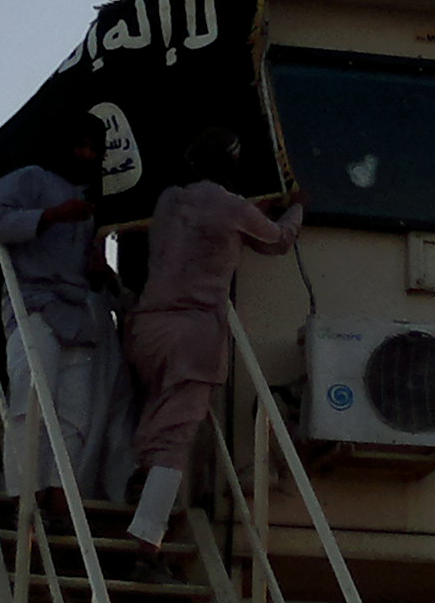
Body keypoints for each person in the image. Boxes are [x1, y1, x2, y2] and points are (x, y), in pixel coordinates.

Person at [124, 127, 306, 563]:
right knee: (177, 435)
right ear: (232, 164)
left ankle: (140, 484)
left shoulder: (169, 201)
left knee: (153, 417)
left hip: (147, 327)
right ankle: (146, 538)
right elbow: (277, 241)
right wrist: (296, 209)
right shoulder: (232, 208)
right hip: (194, 332)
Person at [0, 111, 134, 505]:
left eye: (93, 148)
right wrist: (52, 216)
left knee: (76, 411)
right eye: (79, 145)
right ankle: (22, 493)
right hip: (33, 302)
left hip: (80, 311)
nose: (86, 154)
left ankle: (59, 494)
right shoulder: (30, 178)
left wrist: (99, 271)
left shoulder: (92, 195)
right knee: (31, 396)